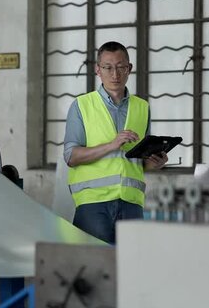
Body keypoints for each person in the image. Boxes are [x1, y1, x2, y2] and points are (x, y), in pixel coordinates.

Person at [63, 41, 168, 244]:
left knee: (130, 268)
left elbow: (137, 162)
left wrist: (153, 163)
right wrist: (112, 144)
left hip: (131, 203)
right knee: (94, 269)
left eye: (121, 67)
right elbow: (71, 156)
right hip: (93, 204)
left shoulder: (142, 108)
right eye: (108, 67)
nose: (115, 74)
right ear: (97, 70)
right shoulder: (81, 106)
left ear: (129, 69)